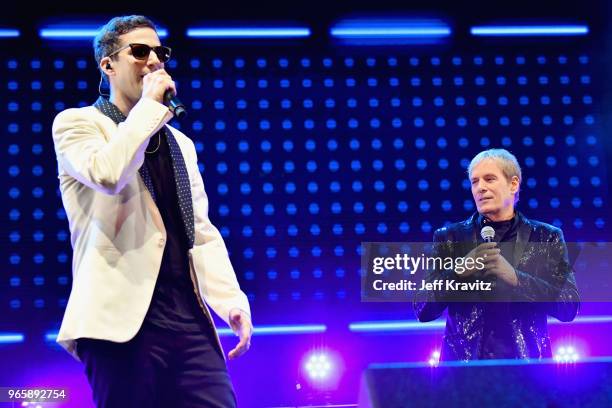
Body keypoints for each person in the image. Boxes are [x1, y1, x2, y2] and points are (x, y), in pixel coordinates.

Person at [51, 15, 252, 407]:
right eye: (139, 52)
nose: (154, 61)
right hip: (120, 324)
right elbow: (107, 173)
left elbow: (200, 232)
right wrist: (147, 108)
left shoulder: (180, 144)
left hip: (188, 319)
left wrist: (231, 302)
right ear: (107, 65)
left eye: (160, 52)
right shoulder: (78, 124)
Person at [414, 148, 579, 361]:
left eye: (489, 179)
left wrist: (516, 278)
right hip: (465, 372)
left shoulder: (546, 236)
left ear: (513, 184)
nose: (480, 188)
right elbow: (422, 308)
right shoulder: (450, 237)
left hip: (528, 369)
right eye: (475, 181)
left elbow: (569, 306)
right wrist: (458, 272)